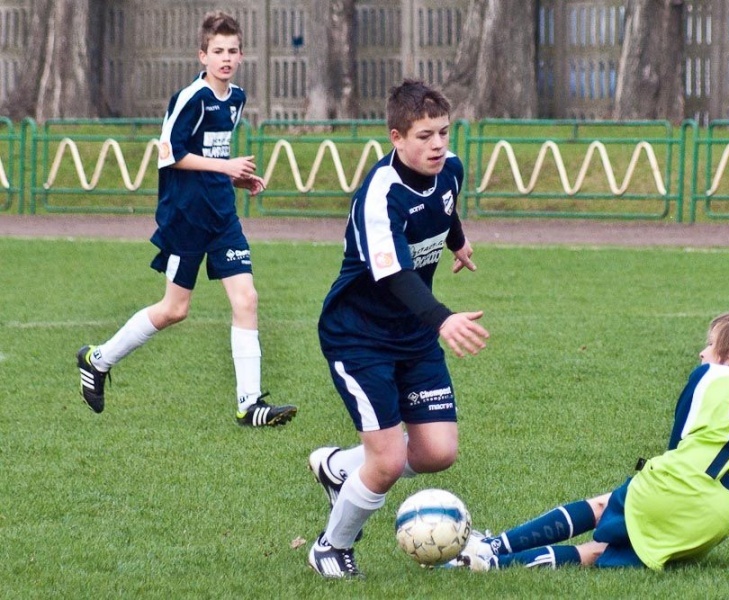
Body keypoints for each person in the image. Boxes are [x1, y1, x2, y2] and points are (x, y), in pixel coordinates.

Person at [76, 11, 296, 427]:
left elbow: (211, 158)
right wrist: (226, 167)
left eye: (233, 51)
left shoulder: (236, 98)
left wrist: (237, 180)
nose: (226, 58)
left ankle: (249, 405)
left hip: (222, 217)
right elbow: (169, 155)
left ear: (242, 55)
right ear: (202, 55)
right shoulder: (191, 97)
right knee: (175, 309)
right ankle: (97, 359)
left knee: (247, 299)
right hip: (186, 219)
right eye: (218, 51)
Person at [307, 79, 490, 579]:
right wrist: (443, 318)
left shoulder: (449, 170)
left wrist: (459, 242)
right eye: (425, 135)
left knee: (437, 451)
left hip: (411, 334)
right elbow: (391, 274)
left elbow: (444, 209)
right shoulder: (379, 194)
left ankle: (340, 468)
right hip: (358, 336)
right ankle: (330, 547)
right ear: (396, 137)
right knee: (387, 462)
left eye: (444, 133)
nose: (438, 145)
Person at [454, 311, 729, 572]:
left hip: (667, 494)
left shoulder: (710, 376)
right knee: (598, 553)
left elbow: (679, 446)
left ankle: (492, 546)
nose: (702, 352)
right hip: (708, 528)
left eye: (710, 344)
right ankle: (490, 566)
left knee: (601, 507)